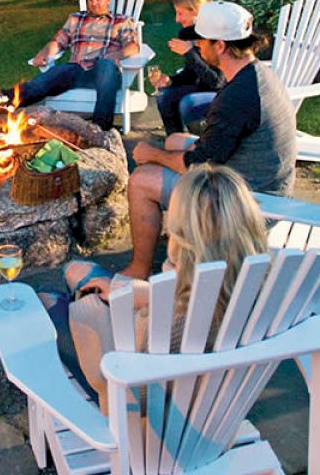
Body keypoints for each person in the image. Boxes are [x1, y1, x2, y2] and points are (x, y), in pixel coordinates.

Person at [63, 165, 269, 411]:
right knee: (78, 272)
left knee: (49, 301)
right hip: (202, 391)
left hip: (129, 393)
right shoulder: (251, 283)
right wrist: (125, 291)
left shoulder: (176, 319)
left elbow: (127, 367)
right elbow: (180, 299)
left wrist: (92, 305)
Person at [121, 0, 296, 280]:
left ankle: (139, 270)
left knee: (141, 180)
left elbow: (198, 165)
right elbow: (216, 146)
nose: (199, 47)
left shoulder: (237, 97)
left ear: (220, 46)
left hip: (248, 203)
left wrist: (151, 155)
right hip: (266, 181)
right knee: (175, 140)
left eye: (202, 42)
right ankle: (177, 226)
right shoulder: (257, 74)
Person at [0, 0, 140, 132]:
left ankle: (99, 129)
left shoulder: (122, 21)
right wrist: (44, 53)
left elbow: (133, 46)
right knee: (55, 73)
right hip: (77, 70)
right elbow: (59, 42)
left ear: (108, 0)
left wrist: (115, 55)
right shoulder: (75, 18)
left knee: (105, 65)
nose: (93, 3)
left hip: (105, 73)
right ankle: (6, 99)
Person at [150, 0, 224, 134]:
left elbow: (216, 82)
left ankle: (200, 143)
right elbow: (192, 74)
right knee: (164, 95)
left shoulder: (217, 35)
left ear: (196, 12)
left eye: (180, 13)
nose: (177, 19)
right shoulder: (191, 35)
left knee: (187, 102)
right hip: (203, 86)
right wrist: (170, 81)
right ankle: (175, 140)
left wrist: (189, 52)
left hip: (224, 91)